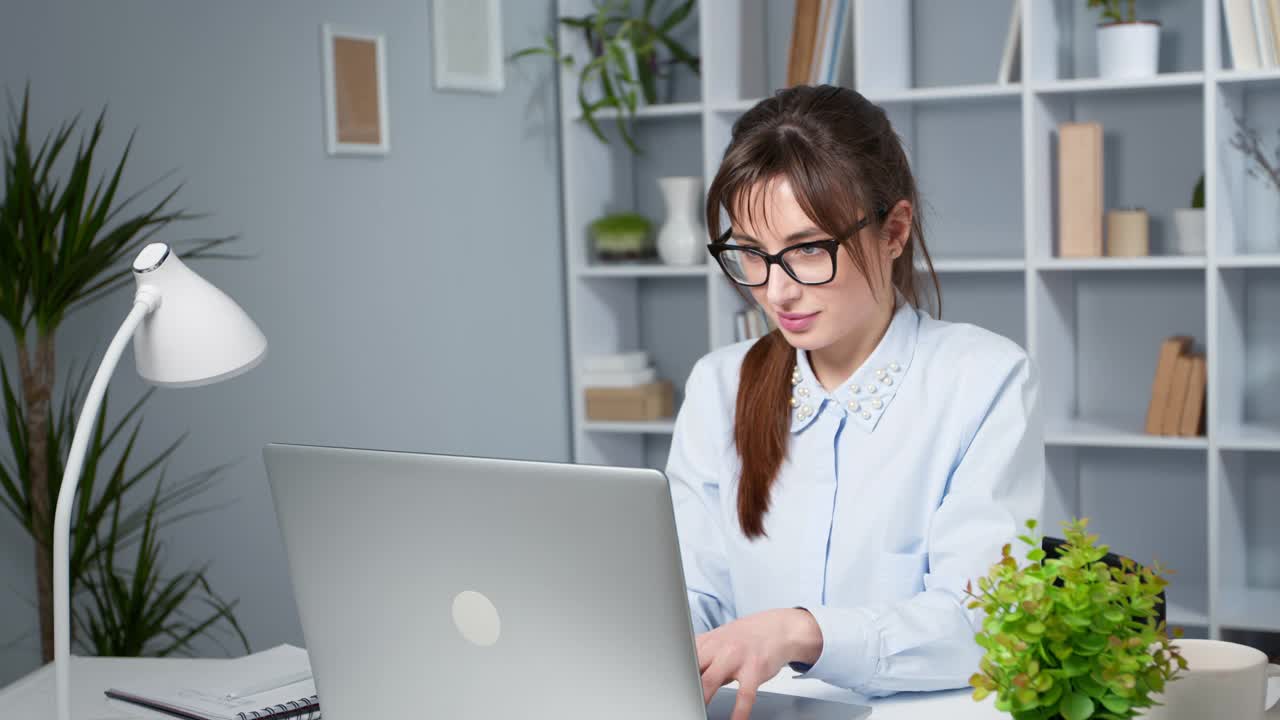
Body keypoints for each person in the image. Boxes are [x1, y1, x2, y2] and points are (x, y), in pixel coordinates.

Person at [665, 85, 1045, 720]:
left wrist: (799, 630)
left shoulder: (982, 378)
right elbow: (691, 591)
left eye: (808, 249)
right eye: (751, 255)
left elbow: (984, 624)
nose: (776, 291)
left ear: (894, 231)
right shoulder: (719, 385)